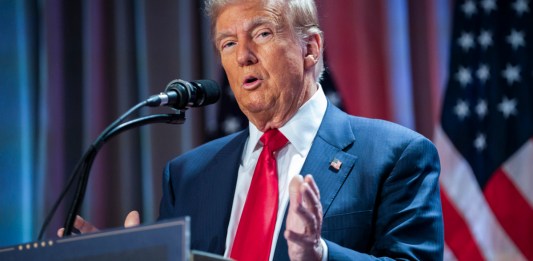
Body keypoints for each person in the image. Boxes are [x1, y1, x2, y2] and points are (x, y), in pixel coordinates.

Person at [61, 0, 444, 260]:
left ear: (310, 48)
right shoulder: (188, 175)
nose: (243, 55)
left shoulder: (396, 156)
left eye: (261, 34)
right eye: (228, 43)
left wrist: (319, 254)